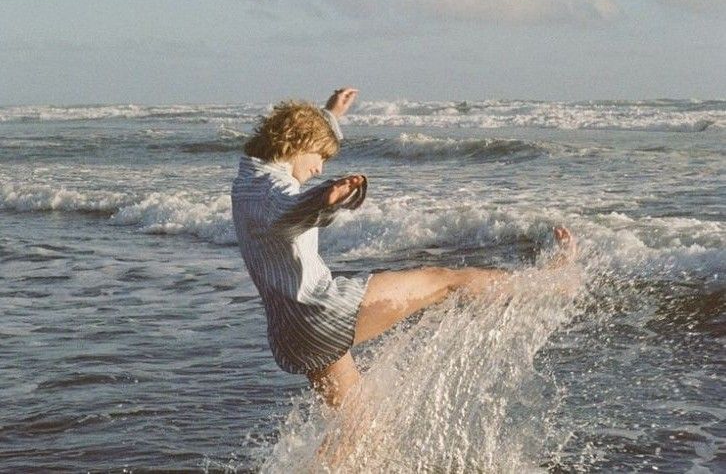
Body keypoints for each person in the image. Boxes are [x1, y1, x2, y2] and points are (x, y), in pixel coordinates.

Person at [231, 87, 577, 409]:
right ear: (298, 140)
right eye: (319, 155)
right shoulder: (273, 191)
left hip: (292, 332)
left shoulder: (248, 179)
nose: (320, 166)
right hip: (319, 313)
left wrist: (330, 116)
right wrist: (322, 198)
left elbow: (284, 187)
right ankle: (548, 282)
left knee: (358, 424)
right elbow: (284, 211)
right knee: (445, 279)